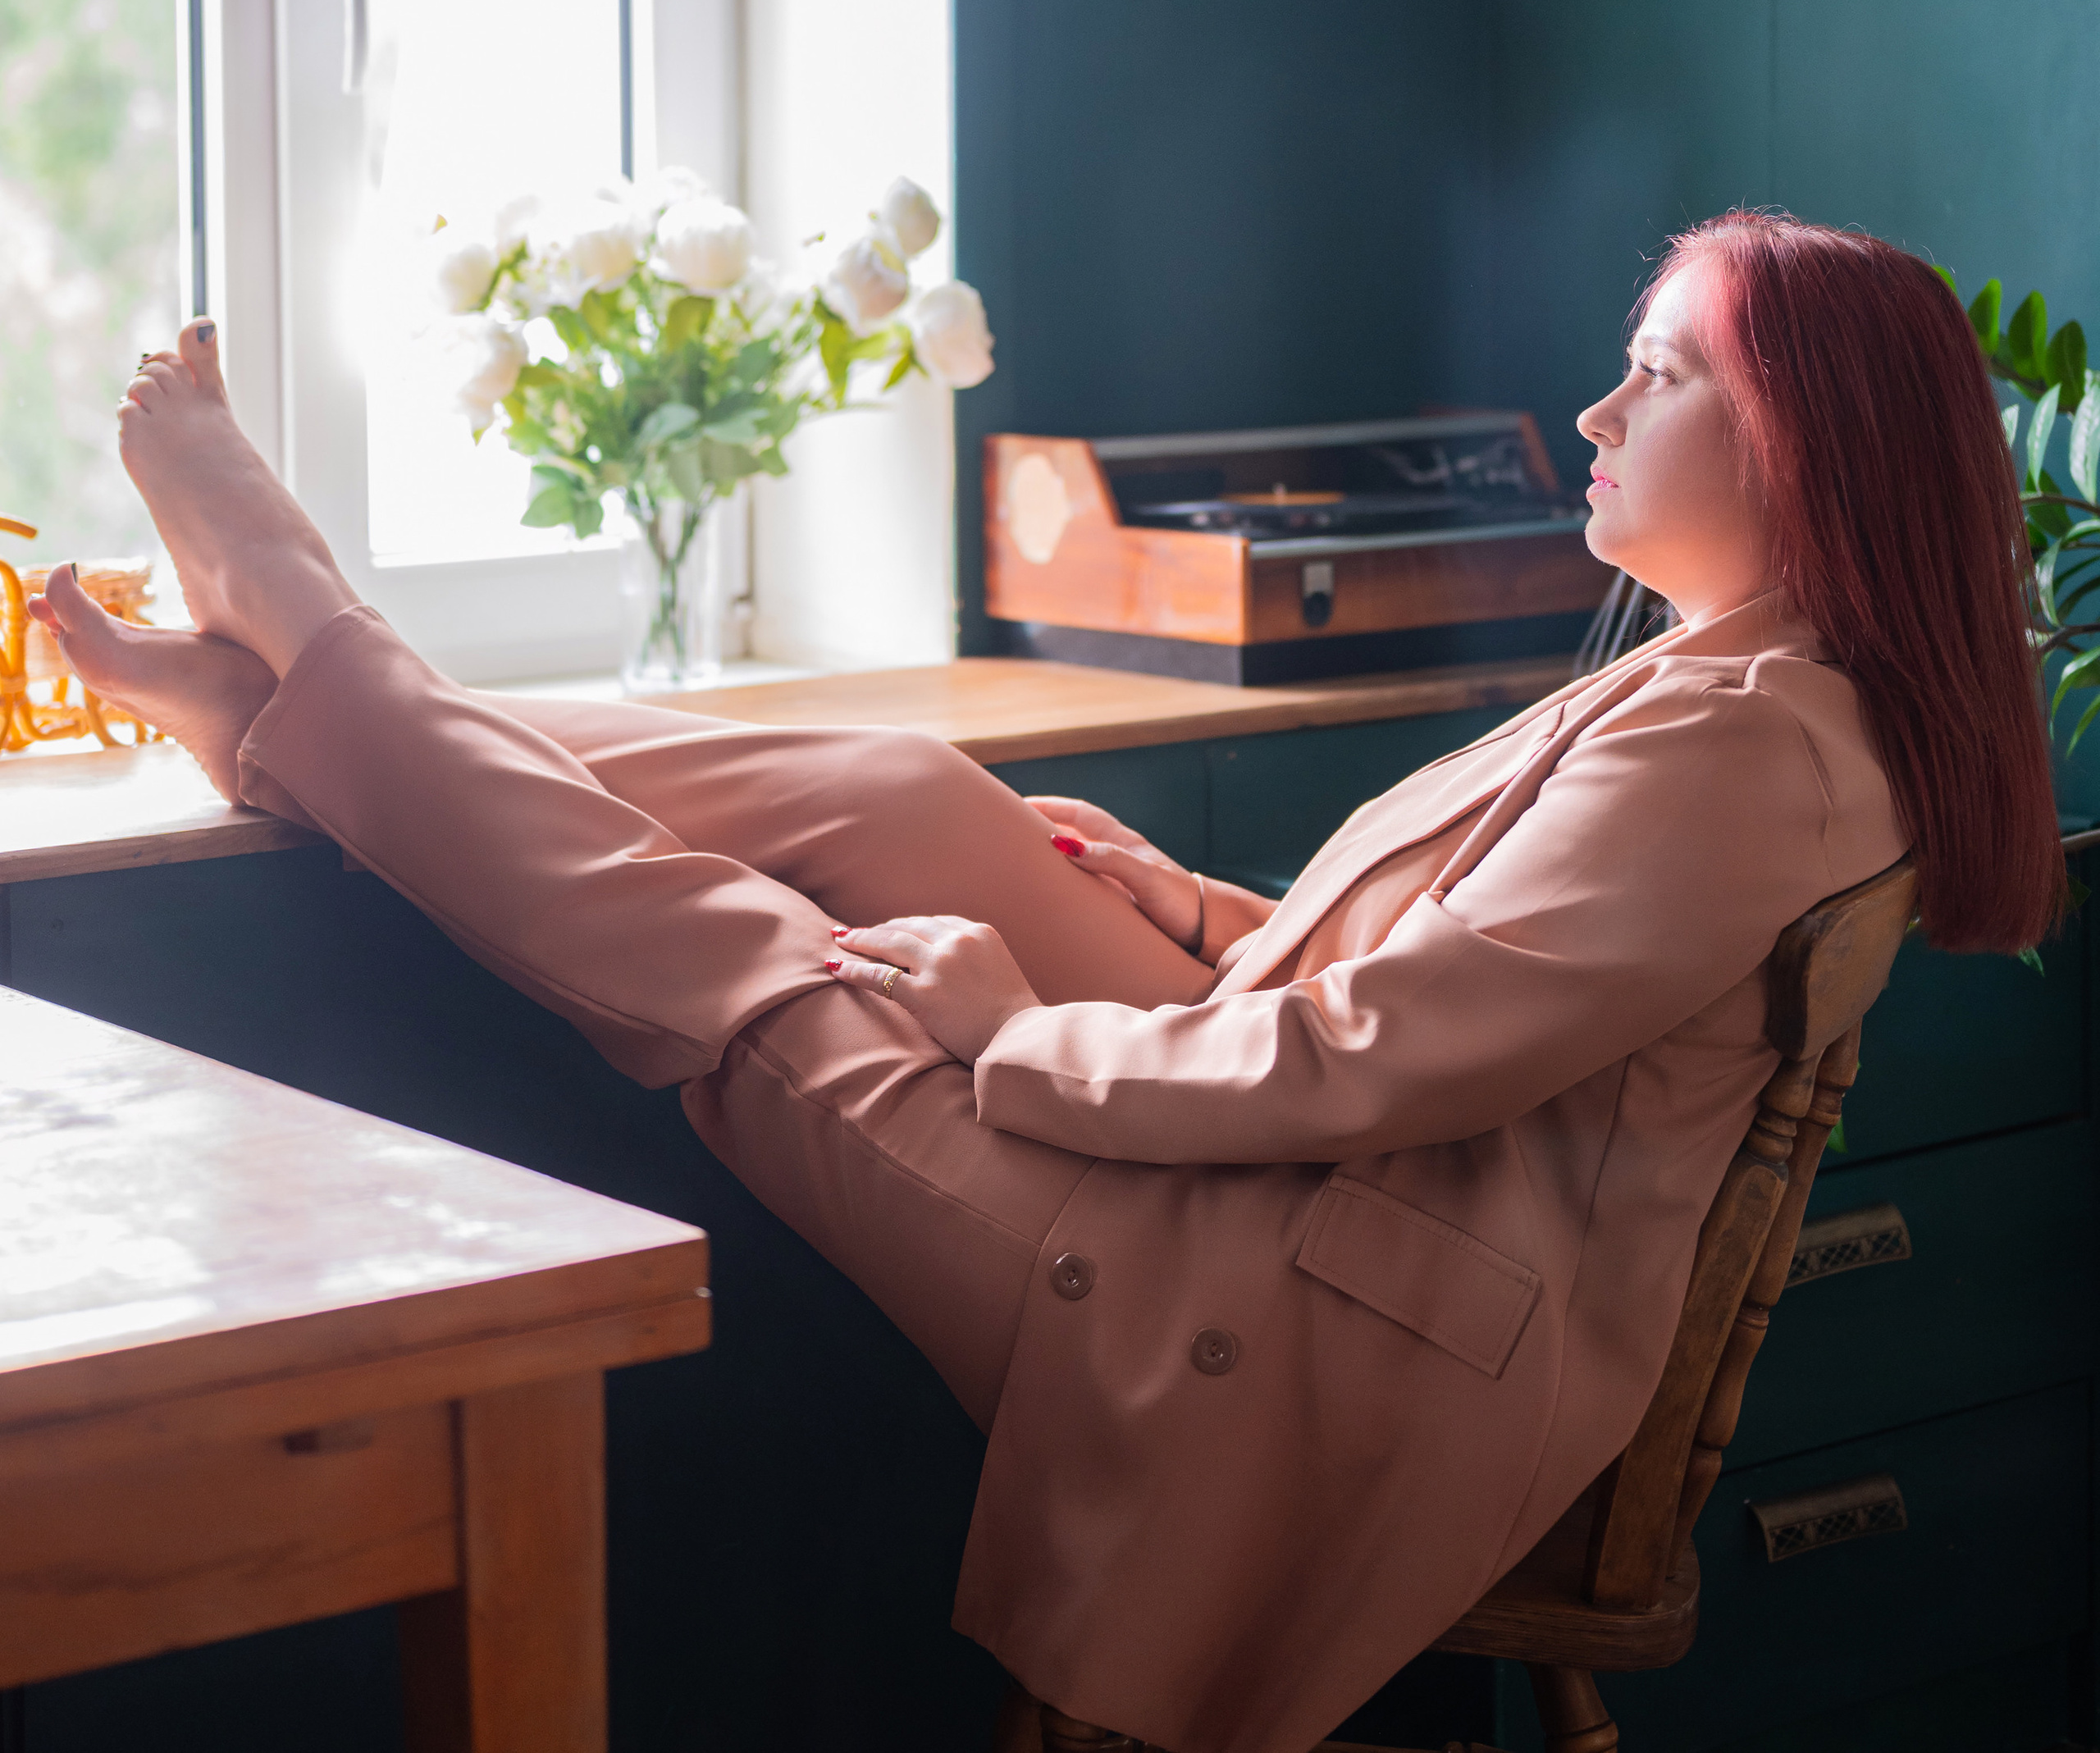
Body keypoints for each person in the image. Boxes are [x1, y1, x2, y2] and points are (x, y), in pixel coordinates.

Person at [34, 212, 2066, 1753]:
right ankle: (310, 683)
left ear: (1801, 443)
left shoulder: (1738, 752)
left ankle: (297, 652)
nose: (1598, 413)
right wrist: (1184, 908)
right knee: (903, 784)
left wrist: (1000, 1025)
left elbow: (1393, 1061)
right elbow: (1479, 983)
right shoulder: (1730, 685)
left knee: (738, 953)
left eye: (1658, 379)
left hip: (1303, 1315)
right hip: (1332, 1193)